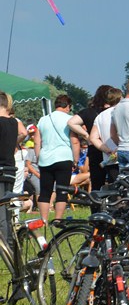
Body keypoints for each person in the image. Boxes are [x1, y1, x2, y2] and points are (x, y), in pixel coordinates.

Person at [35, 94, 77, 223]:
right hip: (64, 157)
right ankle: (58, 219)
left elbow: (37, 141)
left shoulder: (43, 120)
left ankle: (44, 220)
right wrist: (75, 159)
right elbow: (74, 141)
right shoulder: (70, 120)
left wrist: (38, 157)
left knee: (45, 191)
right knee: (62, 190)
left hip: (45, 158)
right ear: (67, 106)